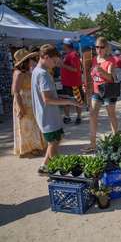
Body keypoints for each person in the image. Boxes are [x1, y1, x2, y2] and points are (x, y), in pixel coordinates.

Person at [31, 44, 81, 175]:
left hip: (47, 115)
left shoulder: (37, 71)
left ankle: (43, 167)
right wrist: (70, 101)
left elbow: (50, 96)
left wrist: (66, 97)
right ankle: (60, 170)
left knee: (55, 140)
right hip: (47, 116)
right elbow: (47, 99)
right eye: (54, 61)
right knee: (54, 142)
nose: (55, 64)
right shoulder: (43, 74)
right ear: (46, 57)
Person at [83, 37, 119, 152]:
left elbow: (112, 78)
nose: (99, 49)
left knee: (111, 115)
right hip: (96, 91)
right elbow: (90, 75)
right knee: (93, 115)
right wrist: (86, 85)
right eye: (97, 47)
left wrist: (102, 72)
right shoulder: (93, 59)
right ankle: (92, 143)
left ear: (106, 48)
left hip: (108, 90)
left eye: (101, 47)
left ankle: (115, 139)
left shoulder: (111, 60)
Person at [12, 49, 46, 158]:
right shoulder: (19, 73)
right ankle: (28, 148)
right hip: (23, 101)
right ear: (25, 61)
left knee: (32, 125)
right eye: (30, 59)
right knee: (26, 126)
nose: (32, 61)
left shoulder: (26, 72)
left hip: (29, 101)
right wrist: (21, 108)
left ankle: (34, 147)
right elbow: (15, 91)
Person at [58, 38, 83, 125]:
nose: (62, 46)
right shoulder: (67, 54)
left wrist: (62, 65)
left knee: (77, 101)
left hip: (74, 83)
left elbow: (75, 69)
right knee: (66, 100)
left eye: (63, 45)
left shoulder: (73, 55)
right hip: (67, 83)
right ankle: (67, 117)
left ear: (66, 45)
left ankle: (79, 117)